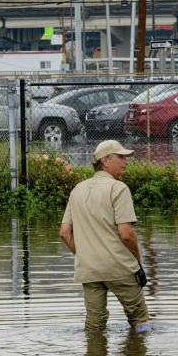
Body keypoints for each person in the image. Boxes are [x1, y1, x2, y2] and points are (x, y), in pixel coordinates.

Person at [59, 140, 151, 334]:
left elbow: (65, 232)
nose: (126, 162)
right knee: (139, 319)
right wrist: (138, 263)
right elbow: (126, 234)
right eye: (121, 157)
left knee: (94, 325)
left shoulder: (77, 190)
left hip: (89, 269)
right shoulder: (118, 188)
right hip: (120, 267)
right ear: (105, 160)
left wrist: (85, 255)